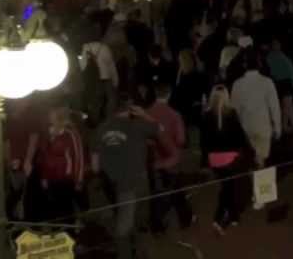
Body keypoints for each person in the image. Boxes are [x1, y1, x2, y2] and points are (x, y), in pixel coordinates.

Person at [92, 94, 160, 259]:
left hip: (116, 182)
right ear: (129, 110)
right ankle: (132, 253)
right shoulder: (138, 125)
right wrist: (144, 114)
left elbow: (95, 166)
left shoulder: (100, 129)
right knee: (130, 225)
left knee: (127, 218)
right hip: (138, 180)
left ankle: (134, 250)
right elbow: (159, 129)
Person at [200, 85, 247, 234]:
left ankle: (234, 216)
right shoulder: (232, 113)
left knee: (228, 187)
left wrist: (205, 161)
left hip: (214, 160)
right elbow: (240, 138)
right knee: (228, 189)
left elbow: (203, 142)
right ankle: (219, 219)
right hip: (230, 159)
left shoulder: (206, 116)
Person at [146, 83, 193, 233]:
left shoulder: (146, 114)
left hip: (153, 161)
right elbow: (180, 140)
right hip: (171, 162)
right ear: (169, 94)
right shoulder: (174, 115)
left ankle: (157, 226)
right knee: (176, 190)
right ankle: (184, 219)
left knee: (156, 194)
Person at [230, 55, 281, 169]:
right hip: (263, 127)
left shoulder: (237, 84)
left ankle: (251, 182)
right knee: (261, 161)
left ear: (244, 65)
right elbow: (274, 107)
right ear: (259, 65)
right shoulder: (267, 82)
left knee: (248, 160)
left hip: (246, 127)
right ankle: (261, 184)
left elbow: (234, 110)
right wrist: (277, 127)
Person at [37, 107, 84, 224]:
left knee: (66, 210)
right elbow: (44, 156)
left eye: (52, 113)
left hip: (66, 178)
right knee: (53, 210)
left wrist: (79, 178)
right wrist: (44, 177)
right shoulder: (47, 132)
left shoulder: (70, 133)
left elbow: (78, 156)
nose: (49, 115)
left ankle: (70, 235)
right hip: (51, 178)